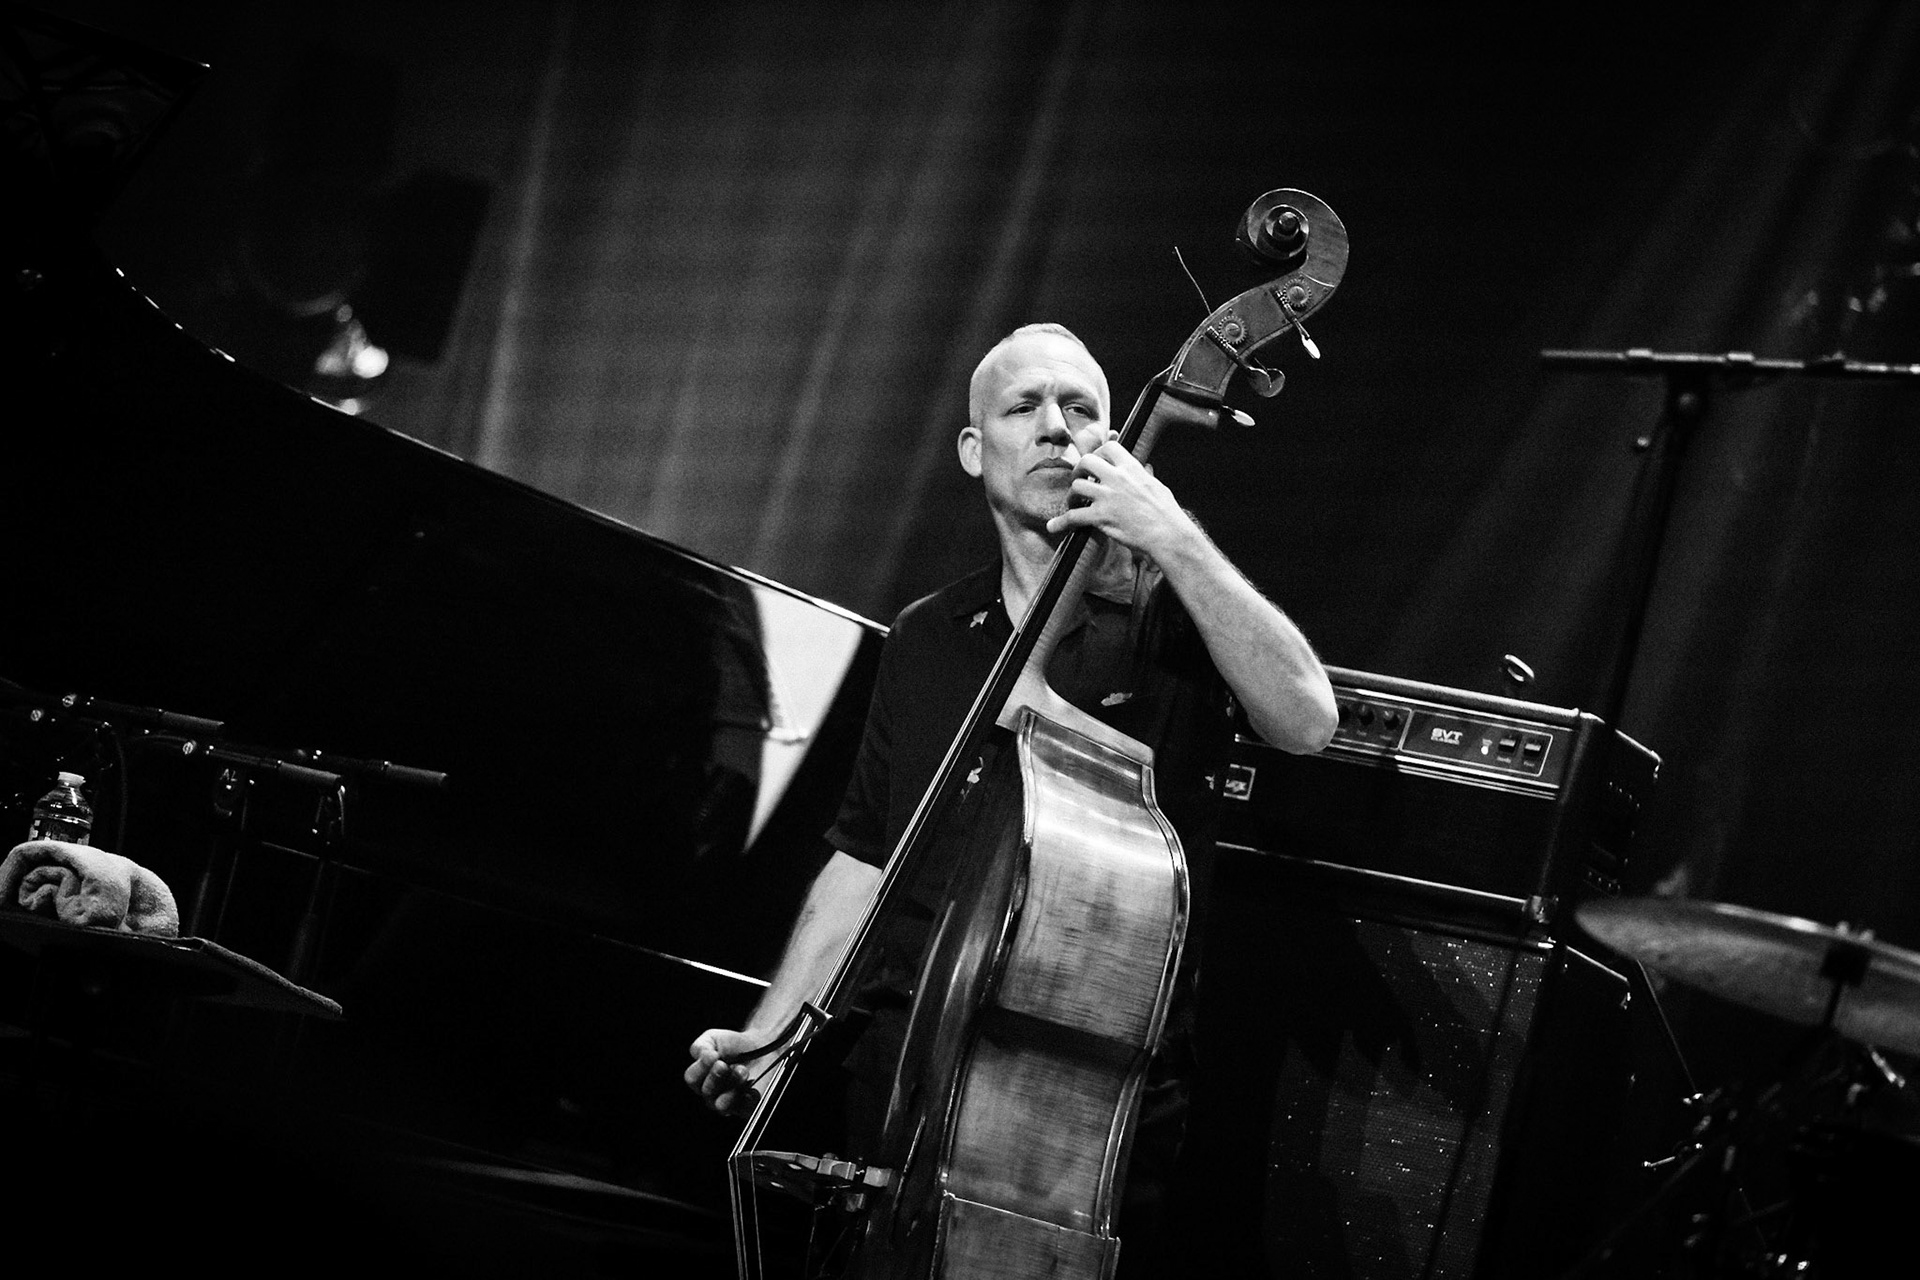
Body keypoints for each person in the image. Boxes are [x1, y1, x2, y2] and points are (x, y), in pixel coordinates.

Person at [684, 322, 1335, 1271]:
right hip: (903, 1071)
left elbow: (1307, 718)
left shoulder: (1171, 620)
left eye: (1081, 409)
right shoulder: (930, 633)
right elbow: (867, 853)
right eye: (1023, 407)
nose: (1055, 428)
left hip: (1081, 1106)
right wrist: (776, 1036)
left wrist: (1170, 534)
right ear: (973, 448)